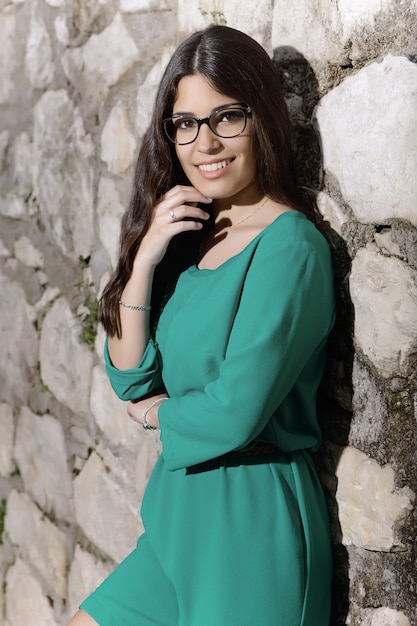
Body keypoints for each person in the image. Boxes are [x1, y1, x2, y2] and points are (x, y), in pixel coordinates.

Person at [68, 24, 335, 626]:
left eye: (226, 118)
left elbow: (235, 410)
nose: (205, 143)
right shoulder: (190, 236)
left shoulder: (290, 247)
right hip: (175, 525)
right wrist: (144, 260)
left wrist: (157, 415)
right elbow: (131, 376)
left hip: (248, 529)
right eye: (185, 123)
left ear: (261, 116)